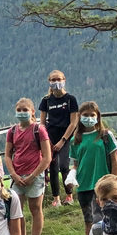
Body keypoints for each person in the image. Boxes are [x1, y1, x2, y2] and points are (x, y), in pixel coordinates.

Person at [4, 98, 51, 235]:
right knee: (17, 210)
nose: (22, 113)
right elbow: (8, 155)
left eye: (25, 109)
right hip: (17, 176)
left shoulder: (39, 130)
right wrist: (14, 175)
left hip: (35, 175)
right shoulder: (12, 131)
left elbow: (47, 157)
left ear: (32, 112)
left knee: (35, 208)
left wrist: (33, 175)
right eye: (19, 110)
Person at [69, 102, 117, 231]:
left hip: (103, 184)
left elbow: (114, 160)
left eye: (92, 115)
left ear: (97, 117)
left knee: (106, 218)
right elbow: (76, 164)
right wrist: (71, 177)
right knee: (89, 221)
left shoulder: (105, 135)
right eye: (85, 115)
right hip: (83, 186)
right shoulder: (75, 140)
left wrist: (115, 181)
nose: (89, 118)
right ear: (80, 117)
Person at [39, 70, 79, 206]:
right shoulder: (46, 100)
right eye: (53, 80)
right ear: (49, 82)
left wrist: (63, 140)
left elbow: (73, 122)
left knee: (63, 165)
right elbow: (42, 122)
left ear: (64, 80)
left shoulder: (70, 99)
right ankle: (56, 198)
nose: (56, 82)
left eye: (59, 79)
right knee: (52, 167)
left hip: (66, 137)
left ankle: (69, 196)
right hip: (50, 137)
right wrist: (47, 140)